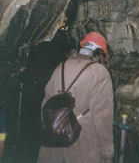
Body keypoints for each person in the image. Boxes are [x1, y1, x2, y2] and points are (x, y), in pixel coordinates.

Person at [37, 32, 114, 163]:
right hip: (82, 147)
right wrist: (107, 150)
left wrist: (54, 127)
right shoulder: (99, 73)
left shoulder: (60, 67)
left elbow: (45, 104)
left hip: (53, 144)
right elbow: (102, 117)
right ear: (100, 53)